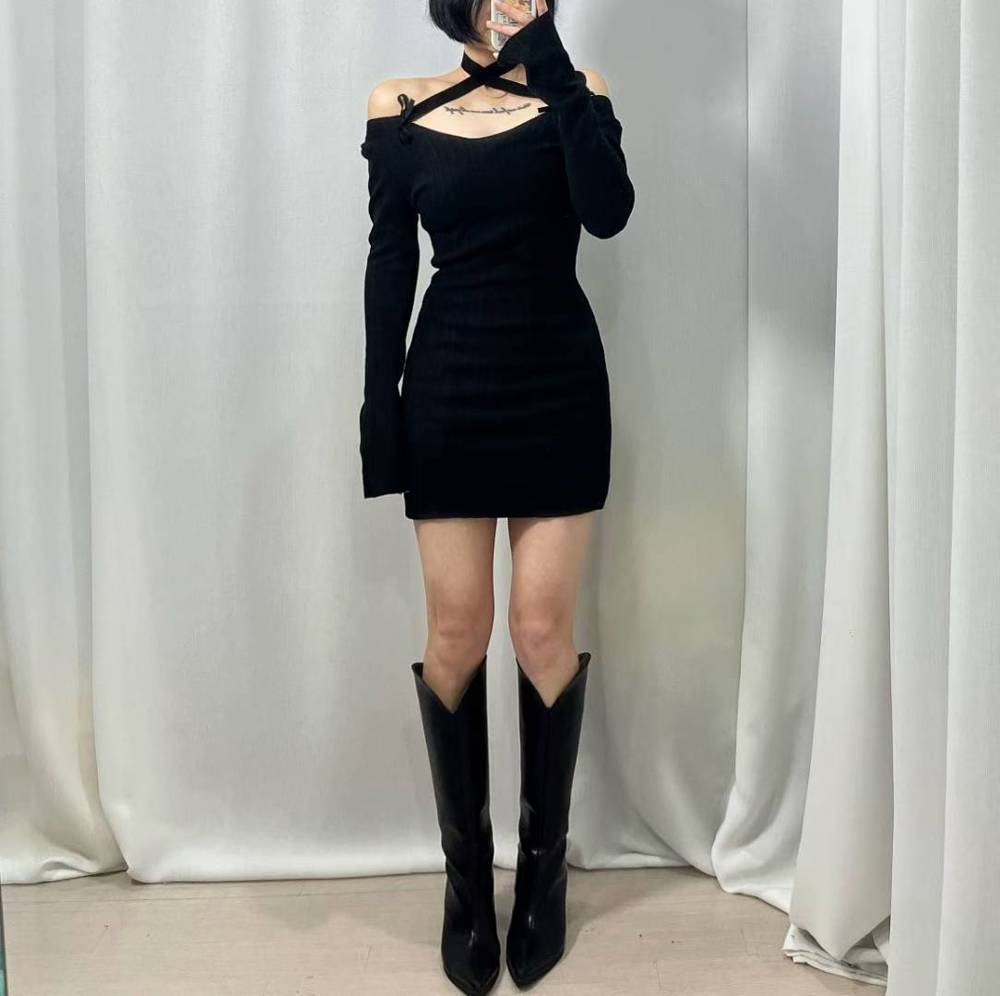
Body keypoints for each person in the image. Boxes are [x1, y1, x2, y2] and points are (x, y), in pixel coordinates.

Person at [358, 0, 635, 991]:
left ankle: (543, 876)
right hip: (448, 385)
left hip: (558, 382)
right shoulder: (400, 105)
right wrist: (379, 413)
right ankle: (468, 887)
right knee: (456, 631)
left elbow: (606, 210)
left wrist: (549, 63)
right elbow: (391, 266)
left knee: (540, 629)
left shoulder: (577, 91)